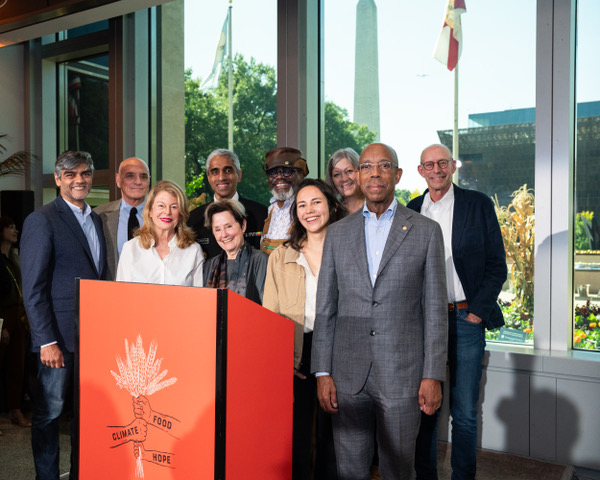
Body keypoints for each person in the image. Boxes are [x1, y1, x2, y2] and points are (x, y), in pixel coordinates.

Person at [311, 142, 448, 480]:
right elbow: (326, 307)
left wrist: (432, 375)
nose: (375, 173)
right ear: (358, 176)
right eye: (367, 167)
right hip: (346, 373)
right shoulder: (338, 233)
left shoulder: (426, 231)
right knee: (349, 470)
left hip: (402, 374)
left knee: (398, 469)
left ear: (397, 175)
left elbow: (434, 311)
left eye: (384, 166)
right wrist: (322, 371)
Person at [407, 143, 507, 480]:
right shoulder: (410, 210)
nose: (436, 170)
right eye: (429, 164)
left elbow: (497, 265)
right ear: (420, 171)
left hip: (465, 320)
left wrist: (476, 313)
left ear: (453, 166)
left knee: (464, 413)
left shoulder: (477, 205)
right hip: (423, 323)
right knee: (425, 408)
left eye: (442, 163)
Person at [20, 150, 107, 480]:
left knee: (86, 414)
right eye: (70, 174)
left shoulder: (95, 219)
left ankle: (81, 472)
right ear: (58, 179)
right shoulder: (42, 220)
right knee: (49, 414)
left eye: (85, 173)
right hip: (56, 339)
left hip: (92, 338)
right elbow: (34, 287)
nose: (79, 180)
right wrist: (46, 341)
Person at [263, 179, 345, 480]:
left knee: (333, 436)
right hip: (296, 350)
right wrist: (282, 360)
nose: (309, 210)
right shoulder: (281, 256)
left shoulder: (350, 253)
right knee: (296, 437)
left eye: (316, 202)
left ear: (332, 206)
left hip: (339, 350)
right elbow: (270, 315)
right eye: (302, 205)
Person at [116, 180, 204, 286]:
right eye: (161, 206)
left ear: (181, 213)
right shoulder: (130, 249)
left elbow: (199, 295)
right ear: (150, 211)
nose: (167, 212)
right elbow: (121, 294)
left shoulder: (193, 251)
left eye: (174, 207)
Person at [188, 149, 267, 258]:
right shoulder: (193, 220)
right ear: (208, 177)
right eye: (215, 172)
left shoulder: (262, 214)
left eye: (228, 170)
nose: (221, 178)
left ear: (239, 175)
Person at [94, 157, 151, 280]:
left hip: (152, 289)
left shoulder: (161, 216)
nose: (138, 181)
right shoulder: (99, 215)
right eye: (130, 176)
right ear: (118, 180)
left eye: (144, 177)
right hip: (111, 289)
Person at [203, 199, 268, 305]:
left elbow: (266, 306)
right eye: (218, 230)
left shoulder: (260, 260)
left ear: (243, 225)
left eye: (228, 226)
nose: (224, 234)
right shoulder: (209, 265)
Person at [0, 216, 31, 428]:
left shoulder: (13, 259)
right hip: (3, 316)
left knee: (17, 366)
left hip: (17, 314)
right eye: (10, 227)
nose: (15, 230)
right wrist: (2, 325)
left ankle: (15, 410)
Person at [260, 147, 308, 255]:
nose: (279, 177)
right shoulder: (271, 209)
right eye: (273, 172)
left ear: (300, 174)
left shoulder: (306, 209)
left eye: (287, 171)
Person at [325, 148, 364, 214]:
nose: (344, 179)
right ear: (332, 180)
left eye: (349, 171)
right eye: (337, 174)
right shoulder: (332, 213)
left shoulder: (376, 206)